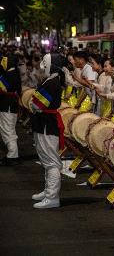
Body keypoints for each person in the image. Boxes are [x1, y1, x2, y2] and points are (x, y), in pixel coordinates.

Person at [31, 53, 66, 209]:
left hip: (47, 123)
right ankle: (48, 192)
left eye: (45, 63)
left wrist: (34, 103)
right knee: (47, 159)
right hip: (44, 122)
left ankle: (52, 197)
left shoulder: (52, 83)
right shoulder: (50, 81)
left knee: (51, 162)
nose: (42, 66)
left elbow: (36, 104)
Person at [0, 54, 21, 166]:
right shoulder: (13, 73)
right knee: (9, 130)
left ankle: (13, 156)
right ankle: (12, 155)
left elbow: (1, 89)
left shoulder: (9, 74)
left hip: (7, 106)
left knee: (8, 131)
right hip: (10, 105)